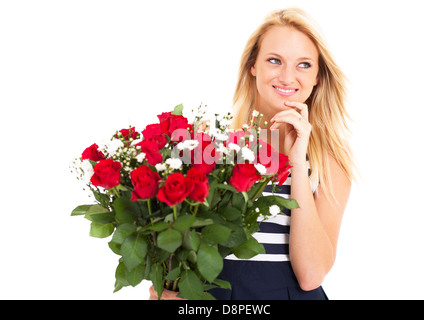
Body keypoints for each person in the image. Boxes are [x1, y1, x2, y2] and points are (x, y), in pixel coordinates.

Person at [150, 7, 355, 300]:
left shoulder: (328, 162)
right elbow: (177, 242)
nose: (287, 77)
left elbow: (310, 276)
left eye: (304, 65)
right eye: (275, 60)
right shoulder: (211, 144)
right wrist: (168, 289)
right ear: (253, 65)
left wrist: (297, 163)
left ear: (318, 77)